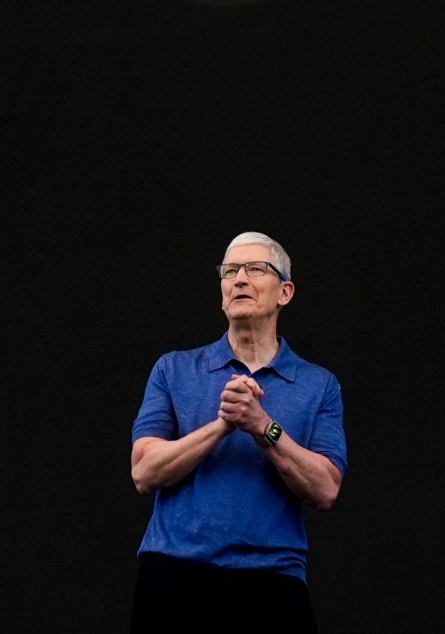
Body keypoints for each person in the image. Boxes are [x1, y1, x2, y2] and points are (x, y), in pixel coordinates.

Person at [127, 232, 348, 633]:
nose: (239, 279)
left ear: (285, 291)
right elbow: (144, 472)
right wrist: (224, 425)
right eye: (230, 271)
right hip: (174, 577)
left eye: (255, 269)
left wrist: (263, 426)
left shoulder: (320, 385)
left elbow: (326, 490)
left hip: (273, 581)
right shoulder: (173, 370)